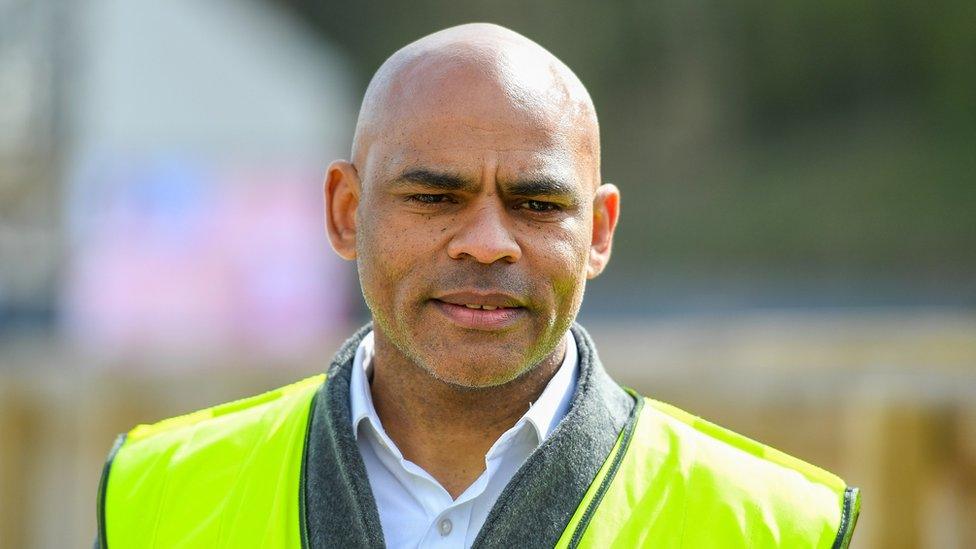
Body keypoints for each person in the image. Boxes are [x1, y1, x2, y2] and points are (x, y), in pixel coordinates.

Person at [95, 23, 860, 548]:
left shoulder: (774, 526)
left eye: (536, 203)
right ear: (345, 212)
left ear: (597, 232)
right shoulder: (157, 501)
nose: (488, 242)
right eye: (434, 197)